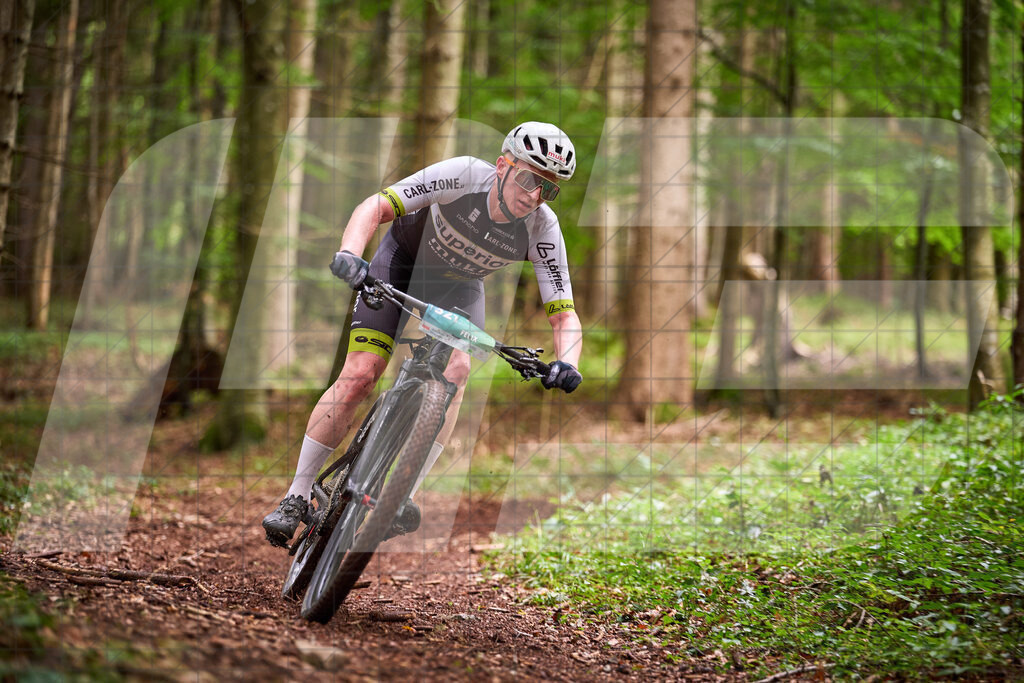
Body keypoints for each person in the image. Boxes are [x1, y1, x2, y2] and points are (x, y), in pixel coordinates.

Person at [262, 122, 584, 547]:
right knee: (362, 372)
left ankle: (403, 495)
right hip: (399, 264)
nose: (534, 194)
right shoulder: (464, 175)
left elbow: (564, 315)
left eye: (549, 188)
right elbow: (376, 206)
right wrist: (349, 254)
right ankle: (297, 496)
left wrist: (568, 363)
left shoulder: (542, 227)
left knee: (458, 369)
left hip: (459, 288)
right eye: (528, 178)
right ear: (503, 165)